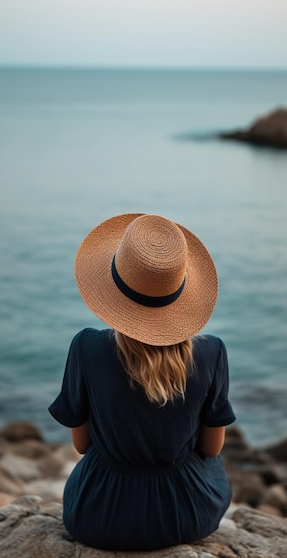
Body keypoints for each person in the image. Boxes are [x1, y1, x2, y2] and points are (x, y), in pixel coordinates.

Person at [49, 213, 235, 551]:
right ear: (181, 290)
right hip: (187, 515)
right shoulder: (212, 352)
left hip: (98, 517)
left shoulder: (87, 347)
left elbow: (81, 445)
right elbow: (211, 448)